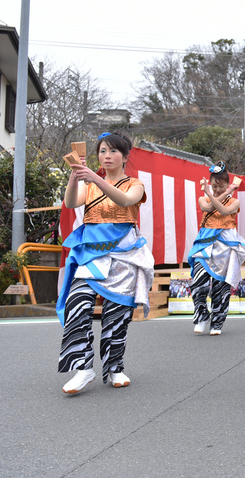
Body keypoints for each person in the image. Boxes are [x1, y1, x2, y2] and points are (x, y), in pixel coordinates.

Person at [57, 132, 154, 394]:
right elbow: (69, 202)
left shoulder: (135, 184)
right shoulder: (89, 185)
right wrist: (74, 174)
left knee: (116, 316)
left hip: (124, 258)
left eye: (112, 151)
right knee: (76, 305)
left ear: (125, 156)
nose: (106, 156)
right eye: (102, 151)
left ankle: (115, 367)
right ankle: (83, 368)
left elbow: (125, 201)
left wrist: (95, 178)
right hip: (92, 256)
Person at [187, 162, 245, 336]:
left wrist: (223, 194)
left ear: (227, 185)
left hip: (225, 246)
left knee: (220, 288)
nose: (218, 189)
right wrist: (211, 194)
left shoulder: (234, 202)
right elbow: (207, 208)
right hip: (205, 243)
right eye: (214, 186)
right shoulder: (202, 199)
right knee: (198, 284)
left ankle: (217, 322)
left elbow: (223, 209)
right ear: (210, 185)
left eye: (222, 186)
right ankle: (202, 316)